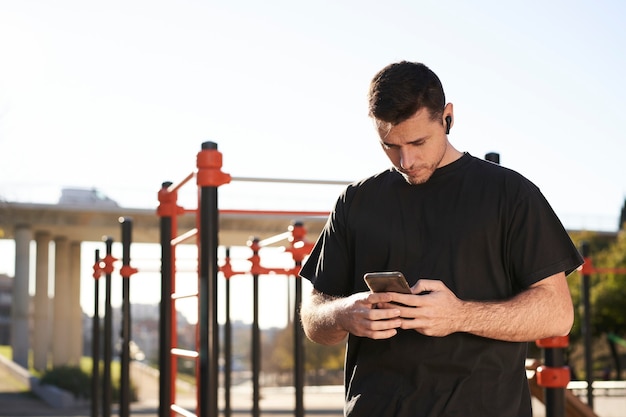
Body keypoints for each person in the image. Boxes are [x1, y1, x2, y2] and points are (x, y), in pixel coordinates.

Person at [299, 61, 583, 417]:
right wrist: (343, 313)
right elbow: (313, 317)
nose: (406, 160)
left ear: (447, 118)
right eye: (390, 145)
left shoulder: (511, 194)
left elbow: (557, 314)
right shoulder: (354, 202)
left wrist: (460, 316)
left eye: (418, 141)